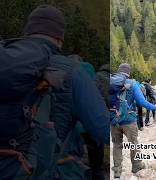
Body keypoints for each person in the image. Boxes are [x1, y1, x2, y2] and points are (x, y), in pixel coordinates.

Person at [0, 5, 109, 179]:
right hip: (49, 171)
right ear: (60, 38)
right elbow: (103, 129)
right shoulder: (72, 71)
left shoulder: (7, 63)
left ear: (27, 31)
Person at [109, 63, 156, 178]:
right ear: (128, 73)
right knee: (133, 144)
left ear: (118, 71)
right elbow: (141, 102)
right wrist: (155, 107)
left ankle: (117, 170)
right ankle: (136, 165)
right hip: (129, 120)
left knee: (117, 145)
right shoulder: (132, 84)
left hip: (114, 120)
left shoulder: (111, 82)